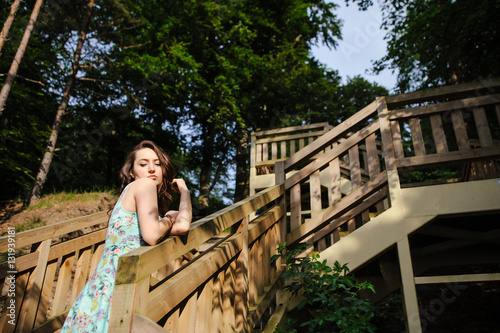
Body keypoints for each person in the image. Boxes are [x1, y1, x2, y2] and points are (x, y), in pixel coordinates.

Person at [61, 140, 192, 332]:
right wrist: (169, 219)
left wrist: (185, 193)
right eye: (143, 164)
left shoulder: (135, 196)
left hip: (108, 283)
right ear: (132, 172)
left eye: (157, 163)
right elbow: (153, 235)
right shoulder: (144, 185)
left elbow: (183, 227)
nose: (151, 169)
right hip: (116, 283)